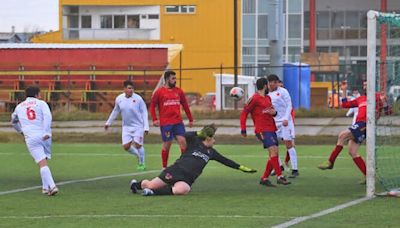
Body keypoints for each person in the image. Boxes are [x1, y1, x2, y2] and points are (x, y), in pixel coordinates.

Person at [130, 124, 257, 196]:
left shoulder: (212, 153)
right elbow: (184, 135)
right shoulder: (195, 142)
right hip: (176, 170)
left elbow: (226, 161)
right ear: (207, 138)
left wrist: (241, 167)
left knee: (182, 190)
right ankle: (136, 185)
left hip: (187, 178)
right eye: (213, 138)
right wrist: (199, 132)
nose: (215, 141)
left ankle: (152, 193)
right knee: (151, 184)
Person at [318, 81, 390, 182]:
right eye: (364, 85)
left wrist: (385, 101)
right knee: (352, 151)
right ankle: (368, 177)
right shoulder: (361, 99)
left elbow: (388, 112)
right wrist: (343, 90)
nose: (365, 86)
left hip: (366, 124)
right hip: (359, 125)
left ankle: (330, 162)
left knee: (342, 135)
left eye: (366, 84)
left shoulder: (378, 97)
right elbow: (345, 104)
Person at [240, 78, 290, 187]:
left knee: (274, 153)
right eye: (268, 84)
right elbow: (244, 113)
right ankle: (279, 176)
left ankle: (264, 178)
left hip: (271, 128)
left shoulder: (267, 98)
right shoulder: (254, 98)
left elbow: (273, 113)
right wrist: (243, 129)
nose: (269, 86)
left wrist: (274, 113)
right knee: (273, 150)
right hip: (262, 129)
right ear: (264, 86)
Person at [11, 86, 58, 196]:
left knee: (41, 162)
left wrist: (21, 131)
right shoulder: (41, 103)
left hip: (31, 137)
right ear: (37, 94)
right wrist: (46, 131)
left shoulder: (19, 107)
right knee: (44, 160)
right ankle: (46, 187)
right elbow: (48, 116)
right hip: (44, 135)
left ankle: (51, 186)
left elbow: (13, 122)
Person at [150, 70, 194, 169]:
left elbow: (185, 105)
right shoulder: (159, 92)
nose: (175, 80)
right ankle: (164, 167)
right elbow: (152, 106)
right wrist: (154, 119)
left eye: (175, 78)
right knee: (167, 144)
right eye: (173, 78)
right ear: (167, 79)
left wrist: (190, 119)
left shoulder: (179, 91)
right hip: (166, 124)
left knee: (183, 142)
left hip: (178, 122)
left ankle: (184, 165)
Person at [105, 80, 149, 171]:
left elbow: (144, 112)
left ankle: (142, 163)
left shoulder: (138, 99)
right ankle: (138, 155)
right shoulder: (119, 99)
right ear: (124, 89)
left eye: (132, 88)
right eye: (129, 88)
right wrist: (108, 123)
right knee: (126, 147)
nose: (131, 90)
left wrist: (146, 127)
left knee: (138, 144)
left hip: (138, 126)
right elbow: (116, 111)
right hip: (126, 127)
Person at [267, 75, 299, 178]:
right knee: (272, 146)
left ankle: (295, 169)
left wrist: (286, 118)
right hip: (274, 123)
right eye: (270, 82)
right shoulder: (267, 94)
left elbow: (289, 105)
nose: (272, 84)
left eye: (274, 82)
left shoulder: (283, 91)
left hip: (285, 122)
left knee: (288, 144)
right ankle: (279, 167)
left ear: (276, 83)